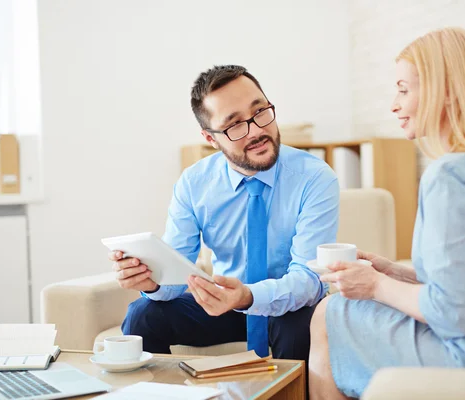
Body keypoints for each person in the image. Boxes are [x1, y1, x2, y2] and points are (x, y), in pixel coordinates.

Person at [308, 27, 465, 399]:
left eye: (404, 90)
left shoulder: (449, 175)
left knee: (328, 313)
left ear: (448, 91)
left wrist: (374, 285)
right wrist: (395, 273)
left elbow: (455, 313)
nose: (394, 104)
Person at [108, 65, 339, 362]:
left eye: (260, 112)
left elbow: (309, 279)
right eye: (234, 125)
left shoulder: (314, 178)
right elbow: (177, 273)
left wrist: (249, 296)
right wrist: (152, 281)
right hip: (225, 305)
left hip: (288, 305)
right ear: (211, 138)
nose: (257, 130)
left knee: (300, 323)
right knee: (143, 313)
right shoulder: (194, 184)